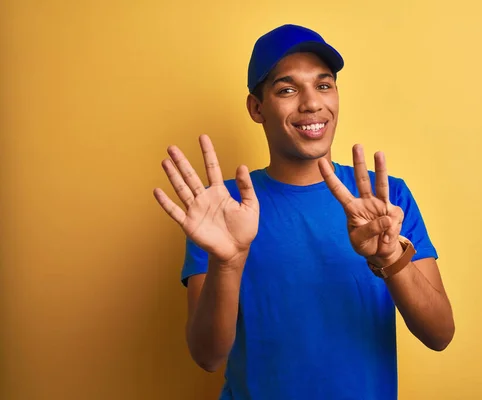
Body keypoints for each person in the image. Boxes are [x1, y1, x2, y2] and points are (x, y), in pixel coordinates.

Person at [153, 24, 455, 400]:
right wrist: (228, 263)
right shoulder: (221, 210)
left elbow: (440, 334)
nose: (312, 103)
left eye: (324, 85)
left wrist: (392, 257)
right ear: (257, 107)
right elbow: (208, 356)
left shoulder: (387, 198)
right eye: (287, 89)